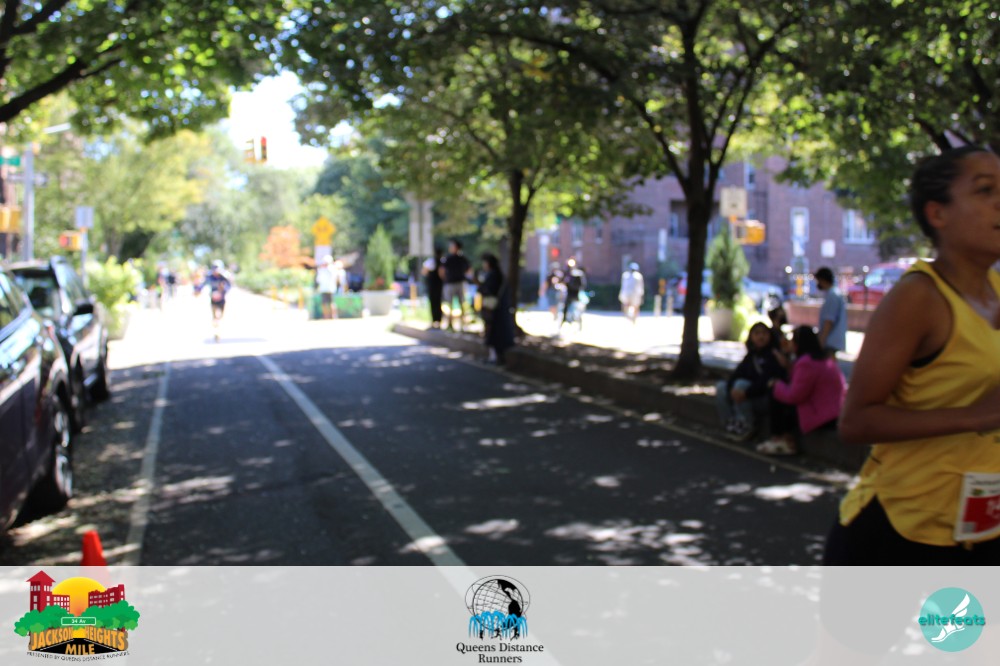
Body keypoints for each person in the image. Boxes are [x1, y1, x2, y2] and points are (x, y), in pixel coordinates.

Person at [824, 146, 1000, 564]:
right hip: (898, 532)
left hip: (980, 531)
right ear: (937, 213)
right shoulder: (918, 298)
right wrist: (976, 416)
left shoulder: (997, 290)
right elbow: (855, 421)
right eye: (985, 190)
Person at [756, 325, 846, 456]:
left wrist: (776, 385)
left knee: (776, 392)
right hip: (834, 411)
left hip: (821, 415)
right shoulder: (824, 359)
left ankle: (781, 438)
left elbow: (795, 395)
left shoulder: (806, 363)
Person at [715, 321, 787, 442]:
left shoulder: (774, 355)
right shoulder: (751, 356)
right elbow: (737, 373)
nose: (761, 336)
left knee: (741, 385)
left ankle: (747, 426)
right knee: (722, 387)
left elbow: (766, 380)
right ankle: (730, 424)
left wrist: (746, 393)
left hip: (764, 397)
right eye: (757, 333)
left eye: (764, 333)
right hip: (748, 395)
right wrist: (731, 389)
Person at [477, 253, 515, 365]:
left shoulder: (493, 276)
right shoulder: (498, 275)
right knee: (493, 332)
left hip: (494, 309)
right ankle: (495, 357)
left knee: (493, 332)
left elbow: (488, 290)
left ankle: (496, 357)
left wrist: (480, 286)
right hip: (497, 308)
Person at [815, 266, 847, 358]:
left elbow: (829, 321)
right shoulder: (834, 293)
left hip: (830, 341)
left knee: (829, 363)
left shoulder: (833, 296)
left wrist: (821, 341)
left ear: (822, 280)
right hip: (832, 340)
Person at [439, 239, 471, 331]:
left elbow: (468, 270)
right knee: (448, 305)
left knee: (462, 304)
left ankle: (463, 325)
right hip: (450, 283)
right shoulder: (448, 258)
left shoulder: (462, 259)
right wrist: (445, 279)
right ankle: (449, 323)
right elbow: (441, 270)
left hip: (460, 283)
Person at [203, 260, 232, 340]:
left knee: (221, 317)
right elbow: (203, 283)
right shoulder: (210, 276)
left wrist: (222, 290)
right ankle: (216, 333)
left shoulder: (224, 277)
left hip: (222, 300)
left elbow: (229, 286)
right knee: (215, 317)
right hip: (213, 299)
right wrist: (198, 289)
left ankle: (219, 331)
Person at [560, 258, 587, 330]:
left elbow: (582, 285)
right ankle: (563, 322)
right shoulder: (567, 274)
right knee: (565, 309)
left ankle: (578, 324)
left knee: (577, 310)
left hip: (576, 295)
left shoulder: (578, 274)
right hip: (569, 294)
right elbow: (562, 281)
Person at [422, 246, 444, 328]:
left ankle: (435, 320)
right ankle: (438, 320)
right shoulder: (442, 261)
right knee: (438, 303)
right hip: (439, 286)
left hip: (432, 285)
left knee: (433, 303)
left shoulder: (431, 261)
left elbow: (424, 271)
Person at [315, 255, 337, 319]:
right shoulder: (332, 269)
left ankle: (327, 316)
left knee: (326, 303)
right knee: (331, 303)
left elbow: (318, 280)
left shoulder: (322, 270)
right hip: (330, 288)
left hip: (325, 288)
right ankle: (332, 316)